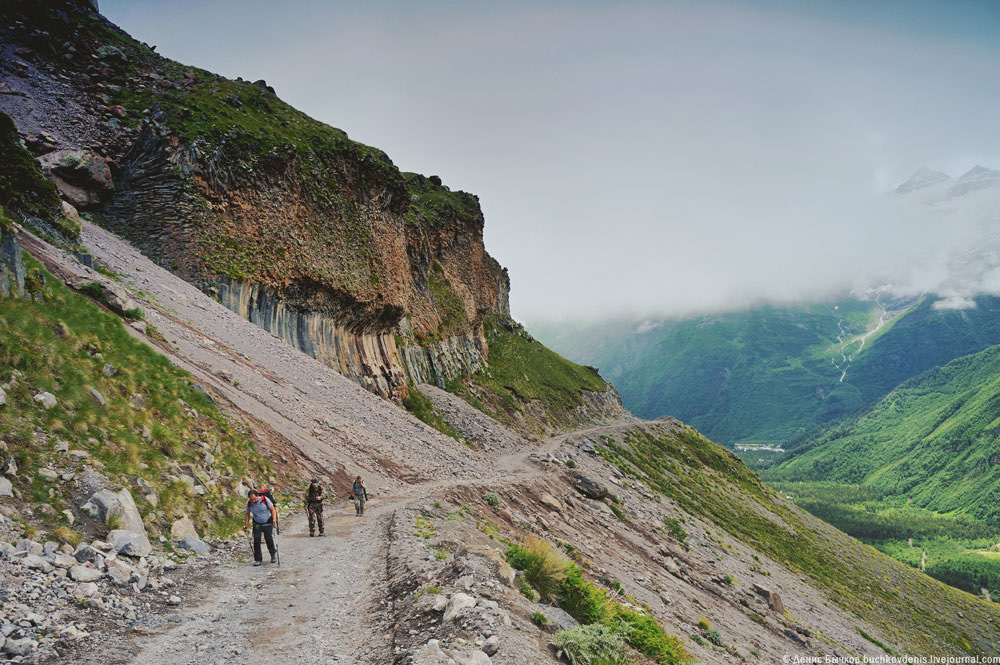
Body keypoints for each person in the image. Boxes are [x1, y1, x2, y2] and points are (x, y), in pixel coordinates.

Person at [244, 489, 278, 566]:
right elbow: (247, 513)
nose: (253, 501)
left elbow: (272, 510)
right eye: (251, 499)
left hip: (268, 522)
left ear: (258, 496)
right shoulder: (249, 503)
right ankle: (258, 559)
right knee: (256, 540)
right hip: (257, 523)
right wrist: (246, 524)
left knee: (268, 539)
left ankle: (273, 555)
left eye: (254, 499)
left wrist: (274, 520)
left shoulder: (265, 500)